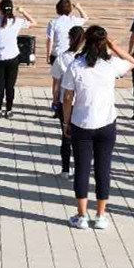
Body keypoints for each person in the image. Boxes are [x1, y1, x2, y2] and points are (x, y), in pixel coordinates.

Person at [62, 26, 134, 230]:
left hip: (81, 123)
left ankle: (81, 215)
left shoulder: (75, 65)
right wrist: (113, 45)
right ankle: (101, 215)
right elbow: (132, 62)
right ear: (104, 42)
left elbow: (67, 97)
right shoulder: (110, 64)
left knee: (82, 169)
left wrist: (66, 122)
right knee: (103, 168)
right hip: (106, 123)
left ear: (86, 41)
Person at [0, 0, 35, 119]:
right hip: (13, 58)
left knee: (0, 85)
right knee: (10, 86)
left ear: (0, 9)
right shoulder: (17, 21)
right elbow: (33, 22)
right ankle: (9, 110)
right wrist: (23, 11)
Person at [51, 25, 85, 177]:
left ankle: (65, 169)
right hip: (83, 101)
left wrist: (55, 100)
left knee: (66, 136)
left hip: (66, 102)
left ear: (69, 38)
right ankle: (81, 169)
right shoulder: (87, 58)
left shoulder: (61, 58)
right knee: (82, 139)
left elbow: (56, 83)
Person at [45, 0, 87, 65]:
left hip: (57, 54)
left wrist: (48, 54)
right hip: (70, 54)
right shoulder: (74, 20)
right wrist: (78, 7)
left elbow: (50, 40)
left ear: (57, 9)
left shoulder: (53, 22)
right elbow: (85, 18)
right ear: (70, 9)